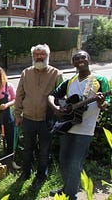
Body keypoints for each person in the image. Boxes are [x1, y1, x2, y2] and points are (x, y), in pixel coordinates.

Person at [47, 50, 110, 200]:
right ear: (73, 63)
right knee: (64, 161)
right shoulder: (70, 80)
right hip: (67, 126)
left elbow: (106, 104)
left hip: (85, 130)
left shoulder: (99, 79)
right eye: (76, 58)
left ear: (89, 60)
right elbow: (52, 95)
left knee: (75, 163)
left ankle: (71, 195)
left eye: (83, 57)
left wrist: (101, 102)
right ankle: (66, 188)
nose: (80, 60)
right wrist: (55, 108)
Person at [14, 44, 63, 188]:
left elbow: (61, 98)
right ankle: (26, 172)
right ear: (33, 57)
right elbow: (19, 95)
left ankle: (41, 176)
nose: (39, 57)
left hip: (46, 120)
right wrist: (18, 114)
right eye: (37, 54)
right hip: (28, 118)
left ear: (47, 56)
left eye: (42, 54)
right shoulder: (25, 73)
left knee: (44, 151)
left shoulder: (56, 74)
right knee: (27, 148)